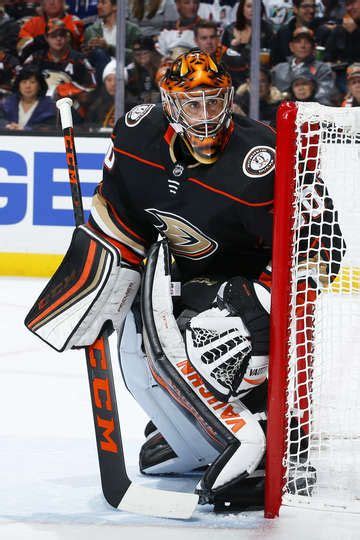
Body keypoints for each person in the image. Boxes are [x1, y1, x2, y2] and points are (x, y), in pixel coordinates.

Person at [25, 49, 343, 508]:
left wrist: (266, 295)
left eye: (215, 101)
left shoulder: (267, 158)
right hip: (174, 282)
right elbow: (118, 211)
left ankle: (265, 425)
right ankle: (189, 426)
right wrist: (99, 270)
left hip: (243, 288)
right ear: (168, 103)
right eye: (192, 103)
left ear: (230, 97)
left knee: (222, 330)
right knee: (141, 353)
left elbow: (324, 243)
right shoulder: (136, 132)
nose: (206, 115)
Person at [24, 18, 96, 102]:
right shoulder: (35, 58)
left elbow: (93, 89)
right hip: (39, 105)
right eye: (54, 35)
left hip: (70, 105)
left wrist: (71, 89)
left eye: (62, 35)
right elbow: (21, 82)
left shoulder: (80, 60)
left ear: (67, 37)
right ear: (46, 37)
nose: (58, 39)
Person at [271, 26, 335, 105]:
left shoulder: (322, 69)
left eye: (307, 42)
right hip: (280, 110)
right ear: (291, 46)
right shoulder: (279, 69)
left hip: (311, 111)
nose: (302, 46)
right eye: (298, 41)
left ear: (314, 47)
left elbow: (324, 95)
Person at [83, 0, 142, 83]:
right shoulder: (91, 31)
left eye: (103, 3)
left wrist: (108, 47)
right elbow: (87, 58)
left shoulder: (132, 30)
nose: (98, 6)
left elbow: (136, 56)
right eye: (98, 3)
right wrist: (88, 50)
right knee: (99, 53)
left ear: (115, 6)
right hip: (99, 71)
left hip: (125, 70)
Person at [17, 0, 84, 60]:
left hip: (68, 64)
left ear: (63, 2)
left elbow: (71, 40)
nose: (52, 2)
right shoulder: (32, 22)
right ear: (42, 3)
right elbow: (22, 45)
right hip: (39, 63)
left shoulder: (74, 21)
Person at [194, 19, 249, 86]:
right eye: (204, 38)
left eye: (212, 37)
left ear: (217, 38)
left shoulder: (233, 59)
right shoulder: (191, 60)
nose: (209, 42)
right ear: (196, 41)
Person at [0, 65, 56, 130]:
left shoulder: (49, 105)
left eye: (32, 82)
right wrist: (8, 126)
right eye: (24, 82)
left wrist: (25, 129)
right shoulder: (7, 102)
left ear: (39, 85)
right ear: (18, 85)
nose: (27, 86)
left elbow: (49, 127)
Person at [323, 0, 360, 94]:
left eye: (353, 3)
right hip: (346, 76)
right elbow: (328, 57)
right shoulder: (339, 30)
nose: (349, 8)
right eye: (347, 5)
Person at [270, 0, 324, 65]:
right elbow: (276, 61)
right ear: (295, 9)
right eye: (306, 6)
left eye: (313, 6)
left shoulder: (320, 30)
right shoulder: (284, 33)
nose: (312, 10)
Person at [221, 0, 274, 65]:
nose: (252, 10)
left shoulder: (267, 29)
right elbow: (222, 57)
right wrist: (233, 47)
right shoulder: (229, 29)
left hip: (260, 71)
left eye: (256, 6)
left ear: (261, 9)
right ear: (242, 8)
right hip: (233, 71)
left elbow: (274, 57)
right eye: (249, 6)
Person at [125, 37, 162, 110]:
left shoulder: (163, 69)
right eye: (137, 54)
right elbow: (129, 97)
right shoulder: (132, 71)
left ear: (153, 53)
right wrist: (140, 101)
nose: (141, 57)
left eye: (144, 53)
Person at [86, 58, 116, 130]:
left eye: (117, 80)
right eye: (109, 80)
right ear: (104, 82)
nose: (113, 84)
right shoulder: (95, 104)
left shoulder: (131, 105)